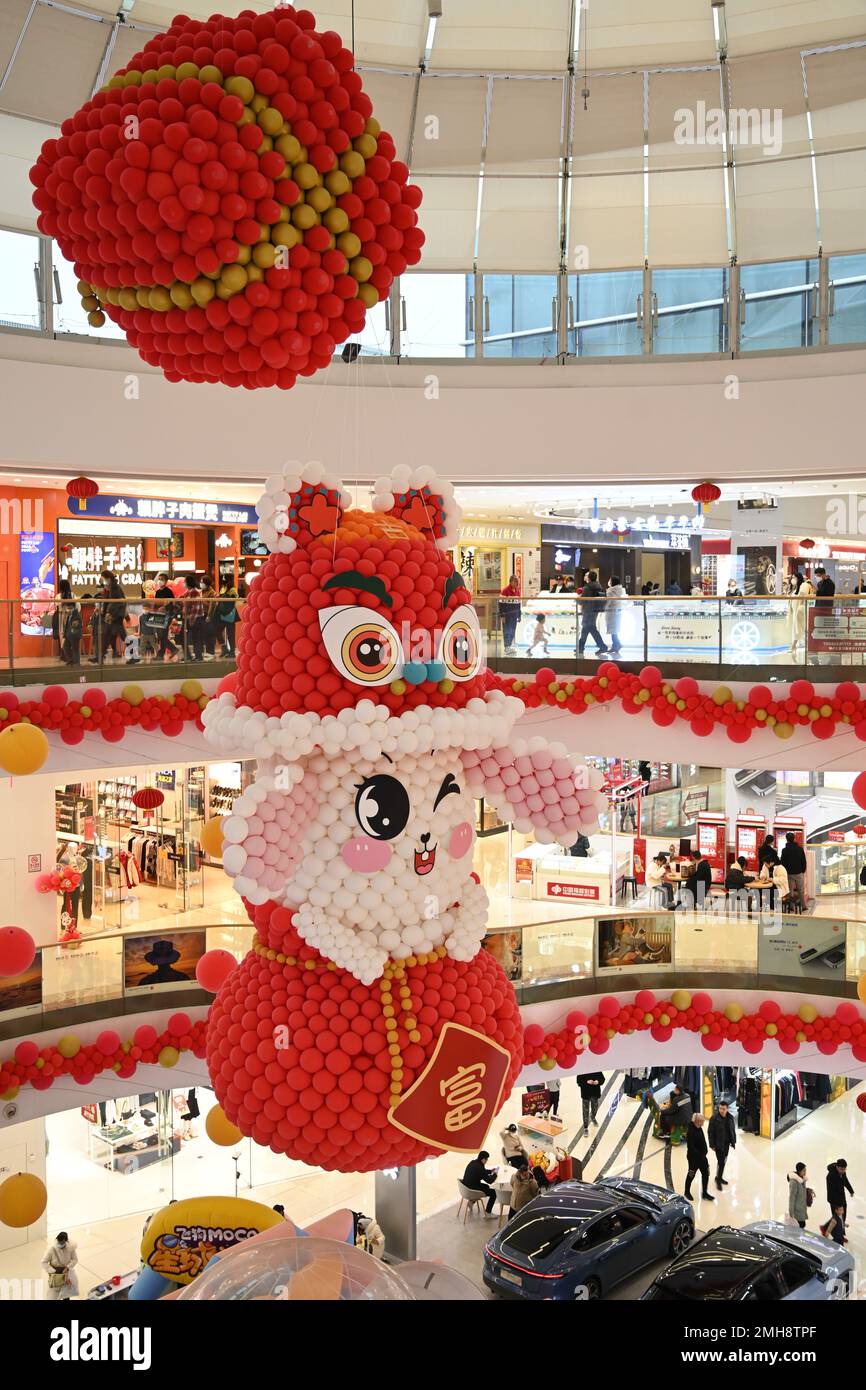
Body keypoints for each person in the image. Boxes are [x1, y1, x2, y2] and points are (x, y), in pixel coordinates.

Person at [684, 1112, 715, 1202]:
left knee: (706, 1173)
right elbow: (691, 1147)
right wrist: (701, 1155)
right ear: (697, 1121)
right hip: (694, 1158)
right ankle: (686, 1192)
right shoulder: (690, 1131)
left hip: (702, 1157)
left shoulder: (699, 1128)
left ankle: (704, 1193)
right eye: (702, 1120)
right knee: (691, 1174)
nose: (704, 1122)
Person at [577, 570, 609, 657]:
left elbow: (581, 601)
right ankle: (580, 647)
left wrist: (577, 598)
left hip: (588, 610)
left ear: (589, 578)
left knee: (589, 628)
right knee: (587, 628)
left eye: (587, 576)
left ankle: (602, 646)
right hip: (595, 610)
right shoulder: (598, 586)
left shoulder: (587, 587)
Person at [707, 1100, 737, 1190]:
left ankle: (718, 1177)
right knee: (721, 1162)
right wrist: (712, 1144)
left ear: (727, 1109)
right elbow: (710, 1132)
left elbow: (732, 1130)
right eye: (720, 1108)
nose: (721, 1110)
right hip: (718, 1144)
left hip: (727, 1144)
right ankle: (718, 1179)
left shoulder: (730, 1117)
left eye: (723, 1109)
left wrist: (733, 1141)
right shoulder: (714, 1118)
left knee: (723, 1161)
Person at [42, 1231, 79, 1300]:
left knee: (66, 1295)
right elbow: (43, 1262)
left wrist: (68, 1267)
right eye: (59, 1242)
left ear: (65, 1241)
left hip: (66, 1275)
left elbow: (75, 1259)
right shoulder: (52, 1249)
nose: (60, 1244)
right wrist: (52, 1270)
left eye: (62, 1242)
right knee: (54, 1295)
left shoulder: (70, 1248)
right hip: (55, 1276)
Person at [461, 1151, 498, 1215]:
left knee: (486, 1187)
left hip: (465, 1187)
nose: (487, 1161)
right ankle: (488, 1212)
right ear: (483, 1159)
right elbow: (490, 1181)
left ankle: (472, 1201)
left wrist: (490, 1171)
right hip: (472, 1190)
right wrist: (495, 1174)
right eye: (487, 1159)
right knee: (494, 1193)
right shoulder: (480, 1168)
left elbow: (482, 1172)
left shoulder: (473, 1162)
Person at [56, 579, 82, 666]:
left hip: (63, 616)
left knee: (63, 634)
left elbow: (56, 604)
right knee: (67, 635)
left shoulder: (59, 596)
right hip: (70, 616)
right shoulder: (73, 595)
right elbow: (78, 607)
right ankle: (70, 657)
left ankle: (66, 656)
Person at [183, 575, 208, 661]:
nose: (183, 584)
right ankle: (193, 656)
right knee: (194, 638)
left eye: (184, 582)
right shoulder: (188, 592)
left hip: (196, 619)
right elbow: (181, 598)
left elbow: (196, 608)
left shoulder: (194, 592)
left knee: (197, 638)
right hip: (191, 618)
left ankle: (198, 656)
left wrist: (191, 620)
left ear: (188, 583)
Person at [780, 831, 807, 908]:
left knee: (790, 891)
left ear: (786, 839)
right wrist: (803, 870)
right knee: (801, 890)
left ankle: (791, 907)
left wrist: (785, 872)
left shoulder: (784, 850)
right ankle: (803, 906)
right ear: (794, 839)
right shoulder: (800, 849)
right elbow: (803, 860)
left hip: (789, 874)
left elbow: (782, 862)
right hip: (799, 872)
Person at [215, 576, 240, 657]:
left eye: (225, 578)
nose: (223, 580)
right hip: (222, 614)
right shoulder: (222, 588)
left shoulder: (232, 589)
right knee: (217, 631)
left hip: (230, 614)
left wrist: (221, 597)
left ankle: (232, 652)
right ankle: (224, 648)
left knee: (231, 635)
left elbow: (234, 599)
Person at [498, 575, 521, 655]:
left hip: (514, 615)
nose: (517, 583)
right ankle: (506, 647)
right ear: (511, 582)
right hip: (507, 615)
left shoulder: (518, 591)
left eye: (518, 581)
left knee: (512, 630)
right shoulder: (505, 591)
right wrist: (502, 615)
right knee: (506, 630)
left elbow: (519, 603)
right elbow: (501, 604)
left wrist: (519, 615)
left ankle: (510, 645)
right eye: (515, 581)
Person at [826, 1159, 854, 1225]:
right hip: (834, 1200)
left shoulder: (843, 1172)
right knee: (837, 1218)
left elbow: (845, 1181)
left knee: (842, 1215)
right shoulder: (831, 1176)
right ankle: (838, 1231)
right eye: (841, 1169)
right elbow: (831, 1192)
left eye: (845, 1169)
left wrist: (851, 1191)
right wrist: (838, 1205)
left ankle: (841, 1225)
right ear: (837, 1167)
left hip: (841, 1197)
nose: (843, 1171)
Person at [577, 1071, 604, 1136]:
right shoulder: (582, 1070)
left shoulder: (597, 1069)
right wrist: (587, 1082)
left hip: (595, 1093)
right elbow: (579, 1082)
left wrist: (598, 1082)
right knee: (585, 1110)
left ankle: (593, 1117)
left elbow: (602, 1079)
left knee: (595, 1108)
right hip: (586, 1093)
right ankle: (585, 1127)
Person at [605, 574, 626, 654]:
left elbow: (608, 602)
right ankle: (617, 644)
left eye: (610, 580)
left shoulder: (610, 591)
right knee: (615, 629)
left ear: (612, 582)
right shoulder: (621, 590)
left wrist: (603, 608)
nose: (609, 581)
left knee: (613, 630)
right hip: (619, 611)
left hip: (611, 612)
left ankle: (616, 645)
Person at [788, 1163, 809, 1229]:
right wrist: (791, 1212)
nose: (805, 1172)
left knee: (802, 1225)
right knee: (800, 1226)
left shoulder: (802, 1180)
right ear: (799, 1171)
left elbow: (801, 1191)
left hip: (802, 1207)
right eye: (804, 1171)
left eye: (805, 1170)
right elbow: (792, 1196)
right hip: (797, 1209)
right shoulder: (794, 1181)